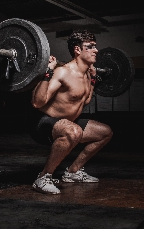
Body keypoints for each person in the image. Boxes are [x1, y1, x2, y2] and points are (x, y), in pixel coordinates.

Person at [31, 30, 113, 194]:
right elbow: (37, 102)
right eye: (90, 47)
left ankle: (73, 171)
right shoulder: (63, 72)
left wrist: (94, 79)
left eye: (95, 47)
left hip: (69, 122)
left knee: (105, 132)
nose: (96, 50)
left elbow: (87, 100)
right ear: (77, 50)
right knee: (73, 132)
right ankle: (43, 177)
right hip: (44, 122)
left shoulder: (87, 75)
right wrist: (48, 71)